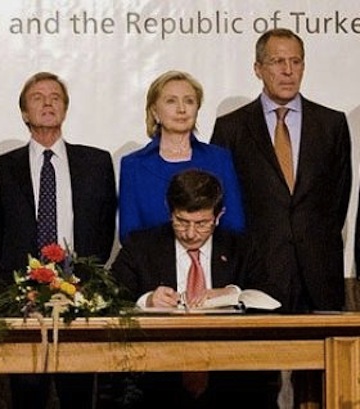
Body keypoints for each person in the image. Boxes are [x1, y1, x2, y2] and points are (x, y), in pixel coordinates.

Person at [210, 27, 352, 407]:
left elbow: (337, 199)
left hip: (318, 272)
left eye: (295, 61)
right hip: (257, 272)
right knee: (254, 385)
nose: (287, 70)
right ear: (258, 68)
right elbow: (224, 203)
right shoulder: (232, 127)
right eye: (277, 62)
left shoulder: (333, 124)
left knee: (321, 386)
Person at [0, 71, 117, 409]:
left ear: (65, 109)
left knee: (78, 393)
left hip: (80, 298)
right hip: (23, 303)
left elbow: (104, 229)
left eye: (55, 97)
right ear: (23, 113)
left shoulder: (97, 162)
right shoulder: (0, 168)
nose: (48, 102)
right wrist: (16, 288)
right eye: (37, 97)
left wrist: (82, 281)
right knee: (27, 393)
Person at [111, 168, 279, 409]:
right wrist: (147, 300)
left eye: (202, 224)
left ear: (219, 216)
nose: (190, 234)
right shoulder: (141, 246)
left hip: (230, 371)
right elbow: (110, 295)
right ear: (169, 212)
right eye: (181, 222)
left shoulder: (240, 247)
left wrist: (233, 293)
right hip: (158, 370)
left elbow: (274, 297)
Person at [118, 70, 245, 244]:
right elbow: (129, 235)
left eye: (189, 101)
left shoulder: (219, 159)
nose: (182, 109)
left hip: (211, 266)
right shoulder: (134, 165)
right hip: (153, 267)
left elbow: (234, 226)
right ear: (155, 111)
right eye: (171, 101)